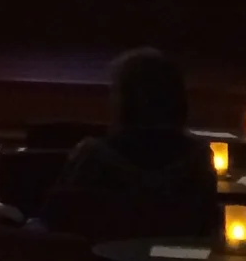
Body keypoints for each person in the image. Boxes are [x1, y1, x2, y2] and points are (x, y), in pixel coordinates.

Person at [61, 47, 218, 204]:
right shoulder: (198, 159)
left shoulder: (92, 157)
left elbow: (60, 215)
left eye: (115, 91)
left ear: (126, 100)